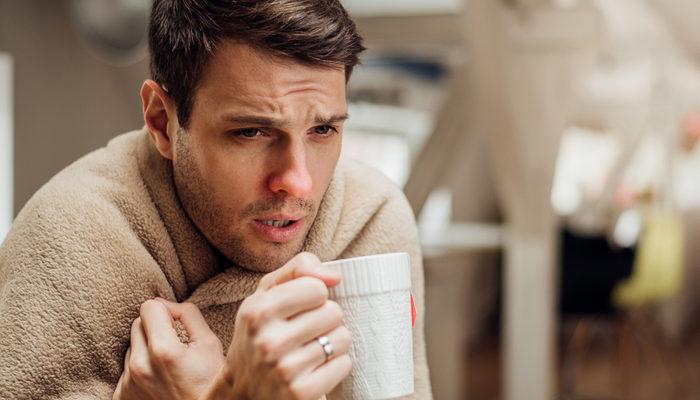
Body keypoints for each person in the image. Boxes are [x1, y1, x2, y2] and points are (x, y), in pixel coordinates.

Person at [0, 0, 432, 399]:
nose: (298, 183)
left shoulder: (368, 218)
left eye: (323, 130)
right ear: (161, 121)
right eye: (251, 132)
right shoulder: (70, 238)